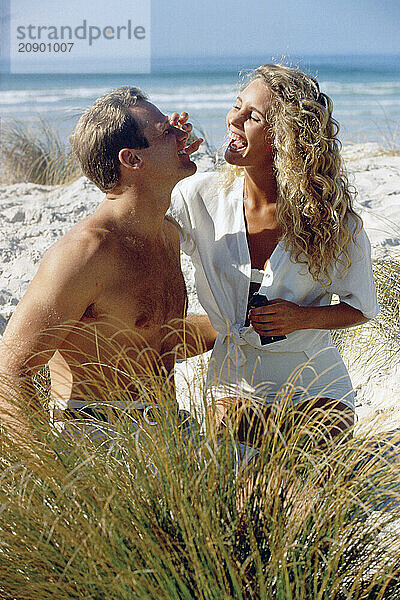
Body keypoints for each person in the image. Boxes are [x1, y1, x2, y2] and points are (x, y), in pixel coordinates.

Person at [169, 63, 379, 446]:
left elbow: (362, 307)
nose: (233, 119)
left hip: (315, 383)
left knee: (307, 464)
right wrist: (166, 157)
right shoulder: (198, 197)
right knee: (239, 459)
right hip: (234, 382)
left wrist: (302, 317)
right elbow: (138, 225)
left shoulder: (334, 223)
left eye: (252, 116)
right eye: (237, 106)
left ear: (285, 138)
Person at [0, 86, 204, 441]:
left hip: (166, 427)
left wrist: (240, 325)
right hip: (99, 433)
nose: (180, 132)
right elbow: (11, 371)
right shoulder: (86, 253)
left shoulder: (165, 234)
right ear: (132, 160)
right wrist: (55, 472)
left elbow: (154, 335)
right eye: (164, 130)